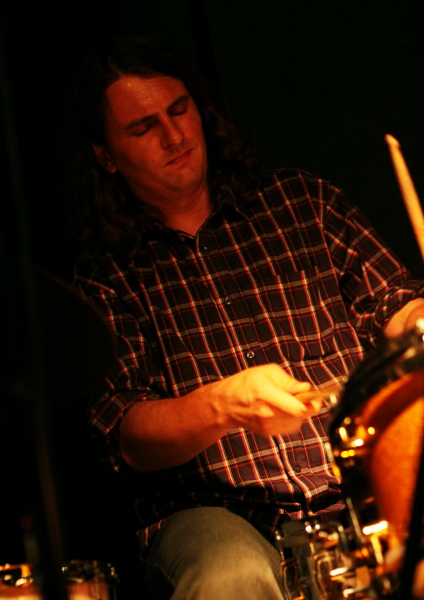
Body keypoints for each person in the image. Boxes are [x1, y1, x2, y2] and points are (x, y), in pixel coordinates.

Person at [70, 37, 424, 599]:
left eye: (179, 110)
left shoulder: (304, 202)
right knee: (228, 576)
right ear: (105, 155)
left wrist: (418, 319)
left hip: (365, 482)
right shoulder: (106, 277)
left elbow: (395, 307)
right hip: (216, 513)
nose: (174, 136)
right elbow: (127, 437)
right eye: (143, 128)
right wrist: (223, 405)